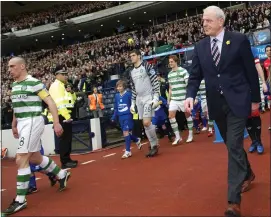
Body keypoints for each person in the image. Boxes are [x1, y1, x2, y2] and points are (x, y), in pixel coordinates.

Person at [184, 6, 260, 217]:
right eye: (203, 21)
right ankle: (248, 173)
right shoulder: (199, 47)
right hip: (216, 105)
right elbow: (194, 76)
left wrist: (255, 100)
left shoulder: (238, 40)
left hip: (238, 101)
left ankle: (233, 202)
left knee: (234, 143)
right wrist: (189, 95)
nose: (204, 24)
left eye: (208, 20)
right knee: (231, 145)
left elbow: (250, 71)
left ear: (220, 21)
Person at [3, 57, 71, 215]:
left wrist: (56, 123)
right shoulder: (14, 85)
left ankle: (20, 200)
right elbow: (16, 107)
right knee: (33, 157)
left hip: (33, 120)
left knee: (21, 159)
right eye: (8, 67)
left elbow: (50, 102)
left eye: (12, 66)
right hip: (22, 122)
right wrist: (14, 124)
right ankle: (61, 174)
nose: (9, 69)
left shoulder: (34, 82)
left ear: (22, 66)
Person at [128, 49, 160, 157]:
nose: (131, 57)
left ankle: (155, 144)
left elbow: (155, 81)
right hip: (139, 99)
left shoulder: (146, 66)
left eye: (133, 55)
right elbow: (133, 89)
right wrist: (132, 103)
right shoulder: (131, 72)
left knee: (147, 122)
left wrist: (155, 97)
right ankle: (152, 145)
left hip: (148, 97)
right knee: (145, 125)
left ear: (138, 56)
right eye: (130, 56)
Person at [49, 65, 78, 169]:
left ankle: (67, 159)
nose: (66, 76)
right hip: (62, 116)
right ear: (57, 75)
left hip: (66, 115)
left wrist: (71, 92)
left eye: (66, 74)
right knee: (64, 139)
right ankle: (65, 162)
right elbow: (59, 103)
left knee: (68, 139)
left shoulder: (63, 86)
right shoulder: (56, 86)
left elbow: (73, 100)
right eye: (63, 74)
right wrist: (67, 116)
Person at [111, 80, 142, 158]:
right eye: (118, 86)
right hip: (120, 117)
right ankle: (137, 140)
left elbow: (133, 105)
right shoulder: (116, 96)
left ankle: (128, 151)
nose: (119, 88)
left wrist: (135, 114)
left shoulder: (128, 94)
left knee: (125, 132)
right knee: (127, 133)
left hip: (128, 116)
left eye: (120, 86)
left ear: (124, 87)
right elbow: (116, 108)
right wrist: (114, 117)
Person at [167, 55, 194, 145]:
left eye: (172, 62)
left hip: (183, 98)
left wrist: (190, 97)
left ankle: (190, 134)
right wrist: (168, 99)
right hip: (174, 99)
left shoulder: (183, 71)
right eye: (169, 62)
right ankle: (178, 137)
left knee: (187, 115)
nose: (170, 63)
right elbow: (170, 88)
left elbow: (188, 84)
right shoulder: (169, 74)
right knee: (171, 116)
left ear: (176, 62)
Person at [246, 57, 268, 154]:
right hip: (239, 90)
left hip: (252, 87)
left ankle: (259, 141)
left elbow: (258, 66)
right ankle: (253, 141)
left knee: (255, 114)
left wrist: (263, 82)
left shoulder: (251, 50)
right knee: (246, 116)